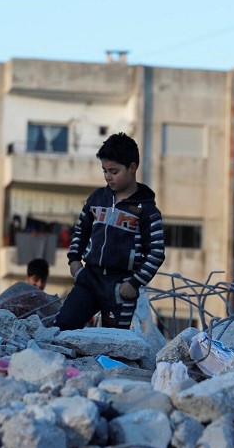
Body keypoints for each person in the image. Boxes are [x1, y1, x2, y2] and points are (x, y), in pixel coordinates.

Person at [54, 132, 165, 330]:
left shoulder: (147, 211)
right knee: (63, 325)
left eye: (114, 171)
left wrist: (134, 283)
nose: (107, 176)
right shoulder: (97, 198)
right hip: (89, 279)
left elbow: (156, 253)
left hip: (120, 287)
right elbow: (81, 230)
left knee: (113, 341)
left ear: (132, 167)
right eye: (104, 170)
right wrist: (74, 261)